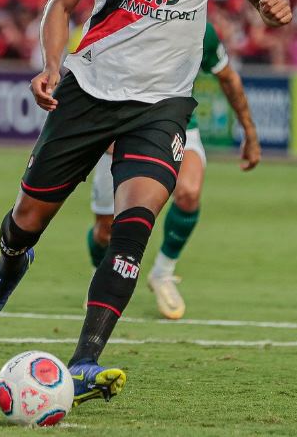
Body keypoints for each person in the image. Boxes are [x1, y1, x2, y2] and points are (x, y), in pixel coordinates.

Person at [0, 0, 292, 406]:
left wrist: (273, 1)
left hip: (160, 109)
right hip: (88, 93)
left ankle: (85, 363)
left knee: (131, 230)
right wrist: (50, 66)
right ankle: (10, 264)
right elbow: (61, 3)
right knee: (26, 217)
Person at [86, 21, 261, 320]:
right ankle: (101, 275)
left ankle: (163, 273)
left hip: (177, 124)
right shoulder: (127, 16)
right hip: (121, 124)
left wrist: (249, 131)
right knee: (107, 229)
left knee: (189, 193)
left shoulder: (201, 27)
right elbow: (89, 72)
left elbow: (227, 77)